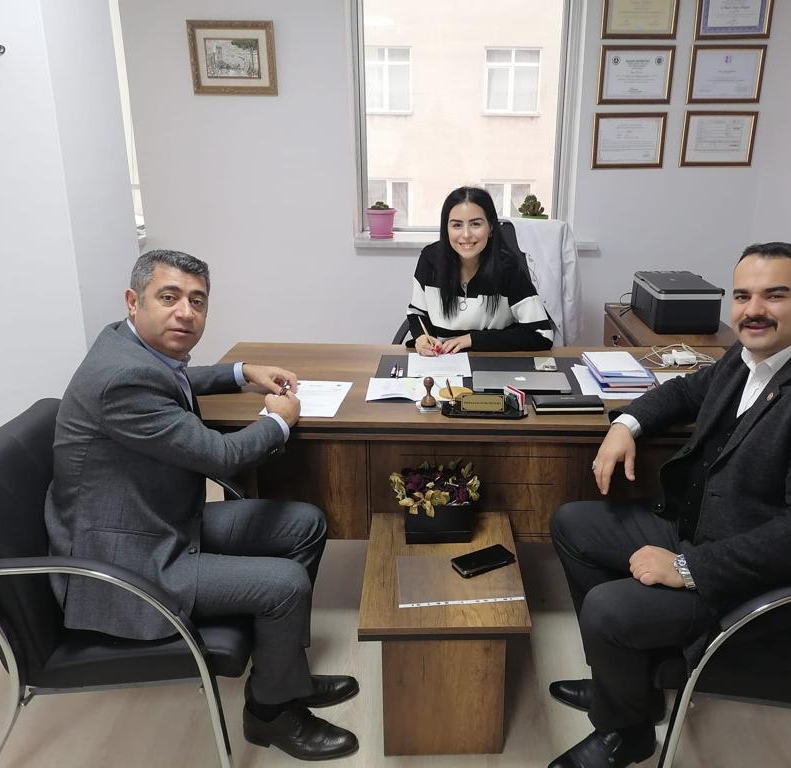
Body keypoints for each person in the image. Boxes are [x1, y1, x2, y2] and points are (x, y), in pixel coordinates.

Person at [546, 242, 791, 768]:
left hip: (756, 581)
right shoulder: (752, 354)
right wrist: (625, 425)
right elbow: (687, 391)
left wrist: (687, 568)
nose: (754, 310)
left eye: (774, 295)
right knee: (574, 523)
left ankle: (626, 733)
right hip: (706, 526)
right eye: (742, 296)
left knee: (608, 608)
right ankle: (624, 687)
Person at [45, 250, 359, 761]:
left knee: (304, 523)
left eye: (197, 301)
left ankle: (283, 673)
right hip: (125, 561)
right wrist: (278, 421)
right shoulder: (121, 379)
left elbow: (174, 379)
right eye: (169, 297)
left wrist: (241, 371)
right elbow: (221, 456)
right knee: (284, 585)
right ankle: (270, 713)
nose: (185, 312)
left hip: (153, 521)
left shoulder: (124, 346)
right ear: (133, 301)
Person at [406, 185, 554, 354]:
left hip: (491, 362)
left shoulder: (508, 268)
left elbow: (542, 335)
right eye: (456, 225)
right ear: (446, 229)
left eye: (475, 224)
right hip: (441, 362)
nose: (466, 235)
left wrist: (472, 340)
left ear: (490, 228)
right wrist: (421, 337)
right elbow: (417, 313)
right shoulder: (430, 259)